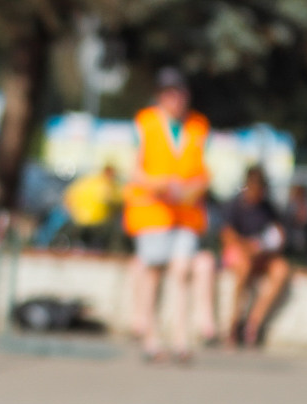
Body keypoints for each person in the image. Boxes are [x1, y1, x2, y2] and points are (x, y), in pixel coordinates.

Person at [122, 69, 216, 363]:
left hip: (186, 212)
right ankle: (151, 338)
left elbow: (204, 170)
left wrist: (194, 186)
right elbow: (134, 170)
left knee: (182, 271)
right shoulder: (145, 123)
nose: (175, 99)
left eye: (179, 93)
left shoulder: (199, 126)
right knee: (152, 272)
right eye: (169, 93)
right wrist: (160, 183)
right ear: (160, 96)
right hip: (152, 211)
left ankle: (180, 338)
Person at [218, 167, 291, 348]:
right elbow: (227, 235)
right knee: (244, 267)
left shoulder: (267, 208)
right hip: (239, 253)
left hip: (261, 255)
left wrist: (265, 247)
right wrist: (247, 247)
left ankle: (253, 323)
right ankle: (234, 322)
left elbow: (277, 235)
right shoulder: (235, 205)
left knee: (282, 270)